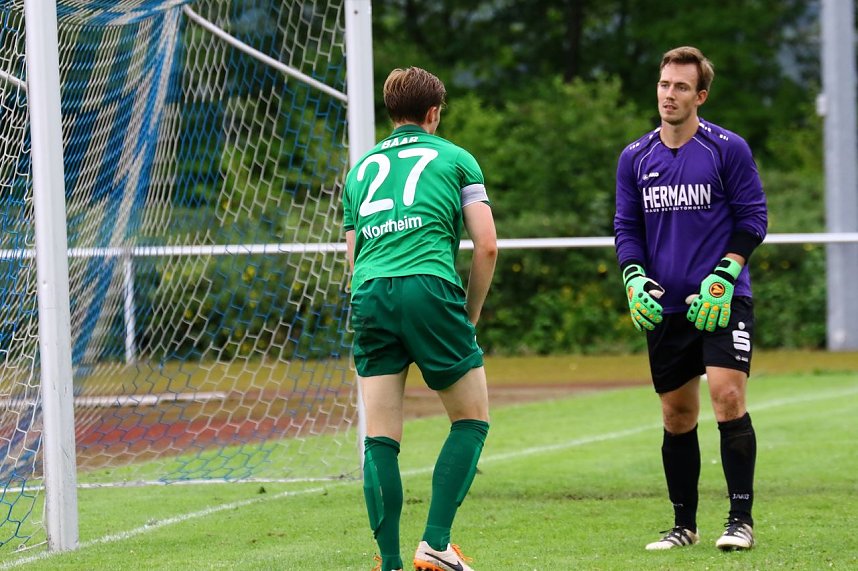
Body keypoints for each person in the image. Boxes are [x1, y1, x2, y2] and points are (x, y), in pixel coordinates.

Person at [613, 46, 768, 552]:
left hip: (721, 299)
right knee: (677, 415)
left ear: (700, 95)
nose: (669, 95)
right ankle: (683, 526)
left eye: (681, 87)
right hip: (667, 306)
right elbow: (626, 228)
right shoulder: (635, 158)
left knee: (727, 397)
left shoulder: (728, 149)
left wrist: (725, 275)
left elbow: (753, 220)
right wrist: (634, 278)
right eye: (664, 85)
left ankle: (739, 520)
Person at [343, 67, 497, 571]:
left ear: (393, 112)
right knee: (471, 419)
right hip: (429, 286)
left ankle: (388, 562)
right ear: (434, 113)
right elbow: (487, 246)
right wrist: (468, 316)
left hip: (369, 292)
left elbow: (353, 255)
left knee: (380, 438)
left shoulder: (360, 169)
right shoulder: (456, 158)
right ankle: (434, 543)